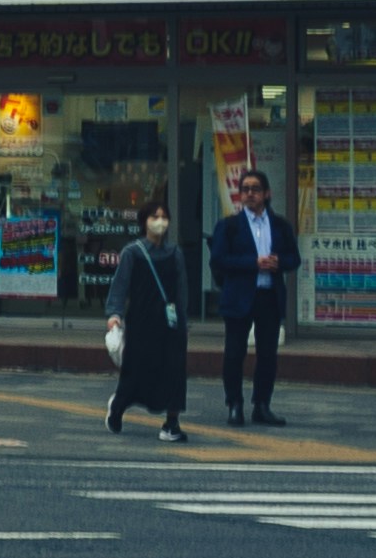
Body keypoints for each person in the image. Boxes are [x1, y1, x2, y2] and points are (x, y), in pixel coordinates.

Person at [207, 165, 295, 427]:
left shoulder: (279, 225)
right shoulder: (229, 226)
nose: (249, 194)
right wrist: (253, 263)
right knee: (234, 353)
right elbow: (219, 259)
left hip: (269, 295)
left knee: (268, 355)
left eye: (255, 189)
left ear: (266, 193)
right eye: (244, 189)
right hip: (239, 296)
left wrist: (278, 262)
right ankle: (234, 404)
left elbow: (294, 257)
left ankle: (262, 405)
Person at [102, 201, 193, 443]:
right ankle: (118, 406)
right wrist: (114, 315)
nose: (160, 221)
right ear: (144, 221)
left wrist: (184, 323)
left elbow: (182, 291)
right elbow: (119, 287)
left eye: (164, 217)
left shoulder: (175, 254)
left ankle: (171, 423)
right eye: (155, 216)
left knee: (175, 371)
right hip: (142, 323)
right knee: (136, 371)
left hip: (170, 324)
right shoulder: (133, 252)